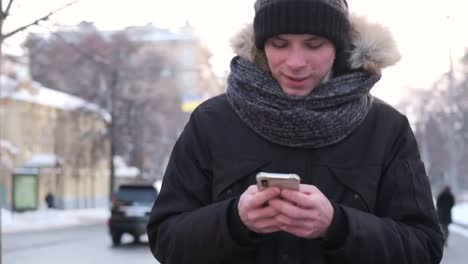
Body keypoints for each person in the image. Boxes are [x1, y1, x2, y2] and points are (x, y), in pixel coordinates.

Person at [147, 0, 444, 263]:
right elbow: (166, 239)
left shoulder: (386, 128)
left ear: (337, 46)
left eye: (313, 44)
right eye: (279, 43)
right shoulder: (211, 122)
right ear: (262, 45)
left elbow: (424, 248)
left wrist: (338, 226)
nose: (296, 63)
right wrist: (234, 221)